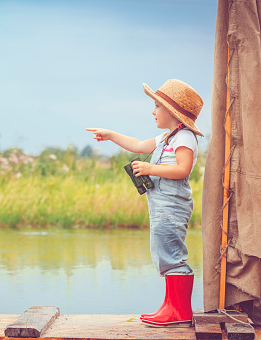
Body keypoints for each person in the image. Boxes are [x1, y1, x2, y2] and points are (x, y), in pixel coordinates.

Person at [86, 79, 203, 327]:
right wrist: (111, 135)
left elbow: (182, 169)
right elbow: (138, 145)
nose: (153, 112)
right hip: (160, 205)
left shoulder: (184, 137)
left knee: (171, 253)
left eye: (157, 107)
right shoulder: (166, 137)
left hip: (172, 205)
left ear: (173, 112)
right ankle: (170, 306)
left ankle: (180, 311)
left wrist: (151, 168)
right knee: (162, 252)